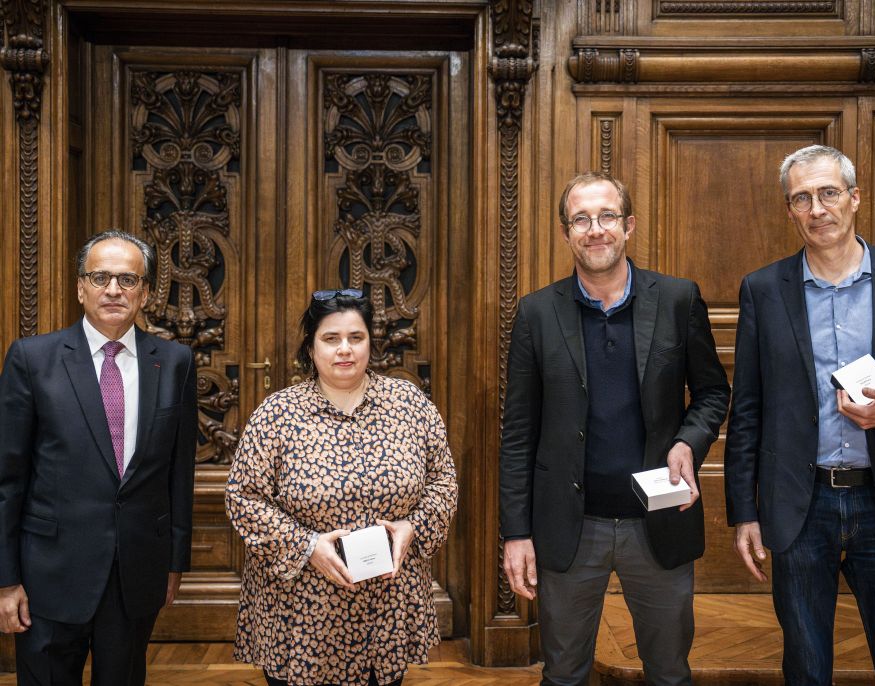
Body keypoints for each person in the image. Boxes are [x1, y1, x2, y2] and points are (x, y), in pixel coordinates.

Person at [724, 145, 875, 685]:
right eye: (801, 198)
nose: (817, 209)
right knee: (806, 671)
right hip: (800, 509)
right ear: (789, 211)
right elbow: (749, 410)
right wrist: (744, 510)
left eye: (829, 193)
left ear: (854, 199)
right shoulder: (763, 290)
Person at [499, 171, 730, 686]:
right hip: (569, 527)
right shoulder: (536, 313)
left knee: (669, 672)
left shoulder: (677, 299)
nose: (594, 229)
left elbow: (713, 393)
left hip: (660, 519)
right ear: (566, 233)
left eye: (606, 217)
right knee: (563, 673)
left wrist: (688, 442)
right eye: (581, 219)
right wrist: (516, 532)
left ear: (628, 226)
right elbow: (518, 431)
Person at [225, 289, 457, 686]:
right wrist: (305, 546)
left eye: (356, 337)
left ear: (371, 342)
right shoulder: (277, 413)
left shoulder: (409, 404)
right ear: (311, 348)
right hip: (299, 610)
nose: (344, 350)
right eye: (331, 339)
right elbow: (243, 496)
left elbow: (443, 481)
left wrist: (412, 526)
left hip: (386, 604)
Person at [0, 230, 198, 685]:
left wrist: (174, 562)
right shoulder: (32, 359)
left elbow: (179, 473)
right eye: (100, 277)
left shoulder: (174, 361)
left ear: (145, 292)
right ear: (80, 287)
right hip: (47, 573)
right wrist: (5, 580)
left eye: (128, 279)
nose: (114, 290)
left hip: (134, 573)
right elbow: (7, 480)